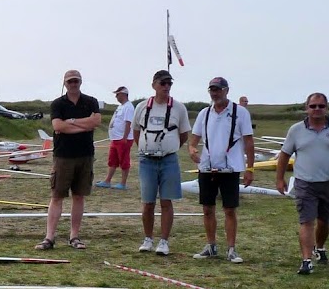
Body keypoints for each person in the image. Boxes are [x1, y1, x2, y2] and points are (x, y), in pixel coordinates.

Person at [276, 93, 329, 275]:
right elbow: (284, 155)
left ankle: (320, 247)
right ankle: (306, 260)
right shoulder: (295, 130)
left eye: (321, 106)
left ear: (326, 108)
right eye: (313, 106)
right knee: (307, 221)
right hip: (305, 183)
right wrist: (280, 178)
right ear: (306, 108)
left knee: (324, 221)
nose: (317, 109)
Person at [188, 77, 255, 263]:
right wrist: (192, 149)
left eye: (218, 89)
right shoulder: (204, 113)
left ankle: (232, 249)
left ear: (226, 90)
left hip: (231, 169)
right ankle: (211, 245)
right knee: (207, 208)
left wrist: (250, 168)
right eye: (211, 90)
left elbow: (249, 142)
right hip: (207, 168)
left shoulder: (240, 113)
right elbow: (193, 140)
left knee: (229, 209)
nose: (214, 93)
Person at [37, 69, 101, 251]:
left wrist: (70, 123)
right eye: (70, 81)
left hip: (85, 155)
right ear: (65, 83)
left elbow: (95, 122)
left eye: (76, 81)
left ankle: (74, 236)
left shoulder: (91, 101)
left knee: (79, 196)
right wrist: (83, 124)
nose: (73, 84)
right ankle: (49, 237)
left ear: (81, 82)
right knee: (57, 196)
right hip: (63, 156)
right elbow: (57, 126)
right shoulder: (58, 103)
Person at [132, 69, 191, 256]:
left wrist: (168, 147)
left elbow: (183, 134)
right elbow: (136, 132)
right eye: (162, 83)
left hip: (168, 160)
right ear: (154, 85)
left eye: (169, 84)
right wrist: (146, 146)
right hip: (146, 160)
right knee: (148, 202)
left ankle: (164, 241)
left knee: (167, 201)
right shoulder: (142, 106)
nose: (166, 87)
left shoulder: (179, 108)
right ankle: (148, 238)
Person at [96, 86, 135, 190]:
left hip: (123, 139)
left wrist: (125, 137)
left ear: (123, 94)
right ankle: (107, 181)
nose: (116, 96)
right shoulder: (120, 106)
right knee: (112, 160)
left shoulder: (128, 107)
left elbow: (128, 123)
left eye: (118, 94)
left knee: (124, 160)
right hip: (115, 138)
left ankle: (123, 183)